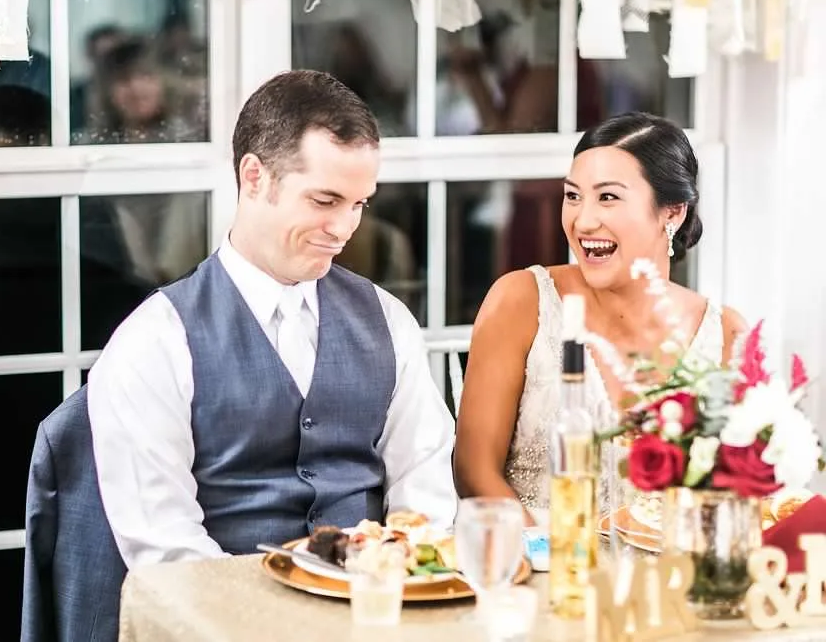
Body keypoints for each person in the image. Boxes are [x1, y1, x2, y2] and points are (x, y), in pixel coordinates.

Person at [87, 70, 457, 566]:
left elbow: (425, 492)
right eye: (325, 201)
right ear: (254, 177)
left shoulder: (390, 322)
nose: (344, 228)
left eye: (359, 204)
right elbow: (166, 550)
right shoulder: (154, 342)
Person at [453, 112, 747, 526]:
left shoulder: (727, 337)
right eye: (573, 196)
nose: (583, 220)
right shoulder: (521, 301)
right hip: (536, 572)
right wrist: (560, 559)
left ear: (673, 212)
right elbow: (473, 472)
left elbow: (741, 498)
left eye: (607, 197)